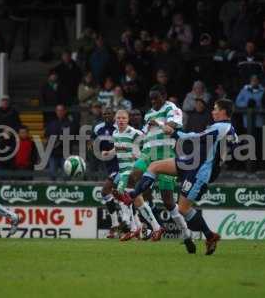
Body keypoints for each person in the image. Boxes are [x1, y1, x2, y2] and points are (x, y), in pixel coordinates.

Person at [117, 99, 238, 255]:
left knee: (183, 209)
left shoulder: (221, 127)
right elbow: (234, 143)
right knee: (154, 166)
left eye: (215, 109)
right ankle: (132, 195)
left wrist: (174, 133)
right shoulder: (228, 128)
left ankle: (209, 236)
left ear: (223, 111)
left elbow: (195, 137)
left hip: (199, 171)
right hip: (191, 162)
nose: (213, 111)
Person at [117, 85, 192, 243]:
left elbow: (170, 127)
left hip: (165, 155)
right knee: (133, 176)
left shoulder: (171, 108)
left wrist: (159, 123)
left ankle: (186, 232)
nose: (153, 102)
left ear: (164, 96)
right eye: (151, 99)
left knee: (168, 201)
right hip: (149, 153)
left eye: (155, 98)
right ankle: (126, 217)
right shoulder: (149, 114)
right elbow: (143, 135)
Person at [101, 110, 144, 240]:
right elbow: (118, 148)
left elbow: (147, 143)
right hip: (124, 169)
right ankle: (137, 228)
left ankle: (129, 223)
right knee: (127, 197)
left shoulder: (135, 133)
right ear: (115, 119)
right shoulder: (115, 133)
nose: (121, 120)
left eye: (123, 118)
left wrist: (140, 156)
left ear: (128, 119)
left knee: (125, 195)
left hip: (134, 169)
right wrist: (109, 153)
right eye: (118, 118)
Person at [45, 104, 72, 181]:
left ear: (65, 111)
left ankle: (67, 192)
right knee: (52, 176)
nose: (60, 112)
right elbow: (47, 137)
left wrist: (58, 140)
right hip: (53, 154)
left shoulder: (69, 124)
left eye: (61, 110)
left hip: (65, 154)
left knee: (66, 177)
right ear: (56, 112)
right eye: (58, 110)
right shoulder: (51, 124)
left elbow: (71, 137)